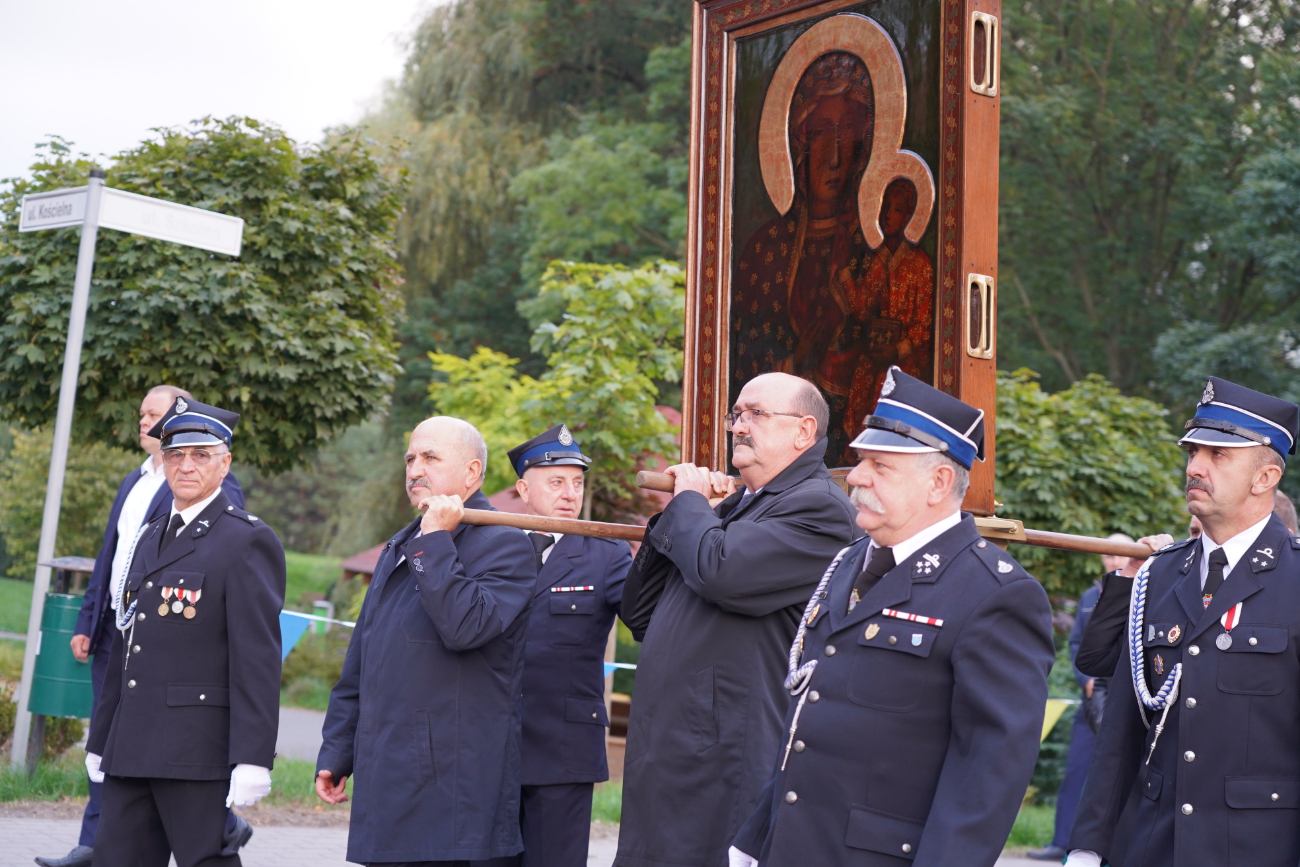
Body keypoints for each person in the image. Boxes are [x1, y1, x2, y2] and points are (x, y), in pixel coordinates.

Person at [730, 366, 1055, 867]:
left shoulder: (996, 595)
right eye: (861, 461)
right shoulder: (849, 563)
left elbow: (989, 774)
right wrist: (754, 840)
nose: (856, 476)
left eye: (880, 466)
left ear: (939, 482)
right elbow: (808, 723)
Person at [615, 372, 860, 867]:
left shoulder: (820, 510)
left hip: (726, 755)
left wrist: (687, 504)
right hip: (667, 747)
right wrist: (683, 514)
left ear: (803, 431)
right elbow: (638, 613)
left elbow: (721, 573)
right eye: (736, 415)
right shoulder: (732, 508)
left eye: (756, 414)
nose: (738, 426)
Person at [1066, 376, 1300, 866]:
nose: (1194, 467)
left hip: (1259, 850)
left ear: (1265, 478)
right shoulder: (1159, 574)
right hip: (1153, 845)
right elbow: (1121, 735)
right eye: (1193, 453)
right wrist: (1088, 848)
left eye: (1217, 456)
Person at [38, 387, 247, 867]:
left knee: (180, 803)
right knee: (114, 754)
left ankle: (219, 823)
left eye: (154, 412)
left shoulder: (210, 488)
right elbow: (111, 555)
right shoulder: (136, 481)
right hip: (120, 627)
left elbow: (220, 561)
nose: (144, 420)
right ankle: (94, 844)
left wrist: (251, 758)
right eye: (142, 413)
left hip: (175, 656)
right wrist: (90, 619)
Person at [316, 416, 537, 865]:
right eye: (410, 458)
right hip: (388, 776)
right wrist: (338, 750)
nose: (415, 469)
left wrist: (437, 539)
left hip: (448, 789)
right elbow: (364, 657)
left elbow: (466, 627)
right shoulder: (403, 544)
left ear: (473, 473)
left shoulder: (506, 543)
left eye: (431, 457)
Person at [84, 397, 284, 867]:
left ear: (224, 463)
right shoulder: (151, 533)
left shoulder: (246, 539)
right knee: (116, 860)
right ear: (164, 460)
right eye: (176, 455)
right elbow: (127, 642)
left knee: (203, 861)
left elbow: (256, 657)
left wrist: (253, 756)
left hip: (195, 749)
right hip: (132, 742)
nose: (186, 466)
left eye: (201, 455)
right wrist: (101, 737)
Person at [504, 425, 632, 867]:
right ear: (523, 488)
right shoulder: (493, 546)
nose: (569, 492)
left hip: (563, 750)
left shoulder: (607, 553)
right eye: (556, 481)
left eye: (577, 482)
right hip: (490, 746)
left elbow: (646, 616)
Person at [1028, 533, 1135, 861]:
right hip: (1092, 696)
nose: (1114, 561)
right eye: (1108, 555)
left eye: (1120, 554)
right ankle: (1062, 842)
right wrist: (1086, 680)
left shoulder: (1144, 586)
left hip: (1125, 695)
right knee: (1076, 771)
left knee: (1120, 772)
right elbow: (1078, 644)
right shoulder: (1091, 595)